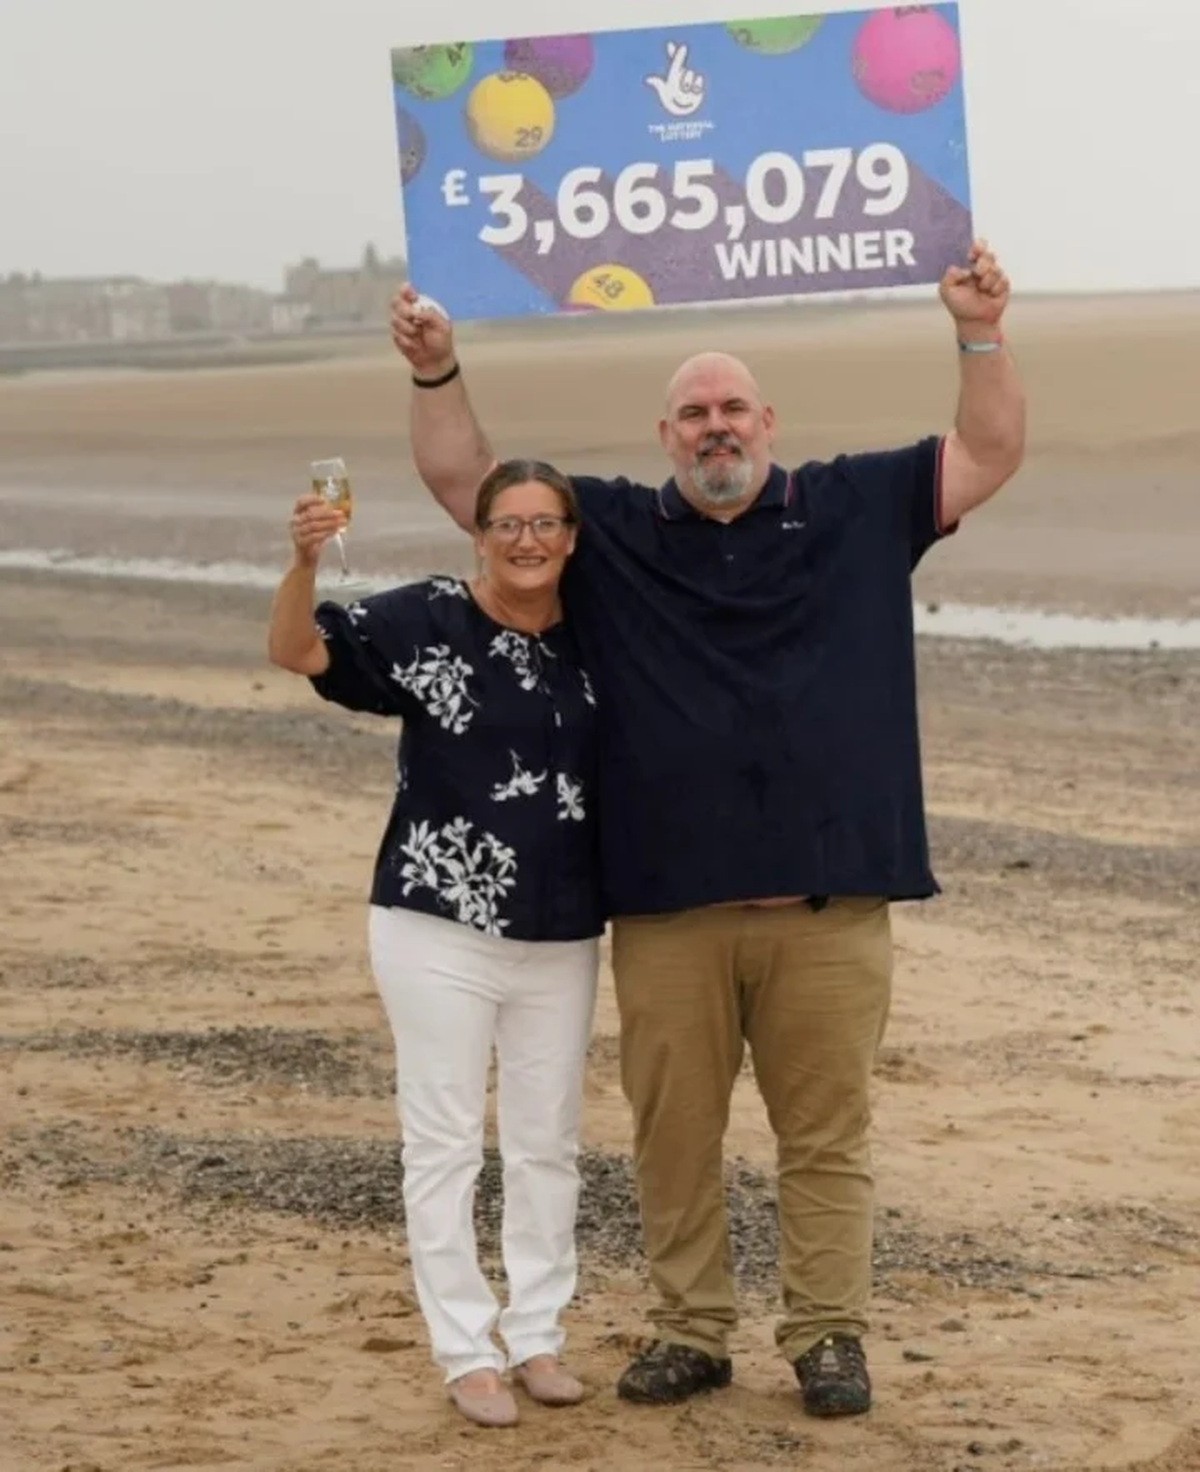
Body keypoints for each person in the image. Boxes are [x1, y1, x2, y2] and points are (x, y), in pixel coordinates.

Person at [389, 242, 1026, 1417]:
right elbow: (468, 481)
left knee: (826, 1137)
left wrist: (979, 331)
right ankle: (691, 1328)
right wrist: (438, 370)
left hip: (829, 904)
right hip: (670, 908)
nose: (715, 427)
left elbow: (988, 450)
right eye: (694, 413)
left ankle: (828, 1333)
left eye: (733, 407)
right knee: (673, 1139)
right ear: (665, 433)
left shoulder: (858, 503)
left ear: (766, 420)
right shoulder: (612, 532)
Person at [267, 458, 603, 1428]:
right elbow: (298, 650)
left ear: (572, 538)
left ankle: (537, 1333)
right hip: (433, 921)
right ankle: (467, 1347)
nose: (528, 540)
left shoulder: (602, 637)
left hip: (565, 924)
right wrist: (299, 564)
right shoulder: (426, 620)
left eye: (547, 524)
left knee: (549, 1142)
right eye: (509, 523)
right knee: (445, 1140)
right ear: (479, 533)